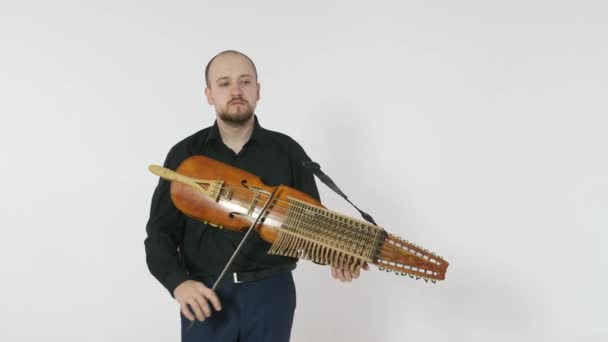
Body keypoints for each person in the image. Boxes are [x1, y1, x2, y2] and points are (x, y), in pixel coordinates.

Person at [145, 50, 368, 342]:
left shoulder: (287, 151)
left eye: (245, 81)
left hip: (272, 294)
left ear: (258, 91)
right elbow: (159, 234)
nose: (236, 91)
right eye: (224, 83)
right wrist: (179, 284)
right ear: (209, 94)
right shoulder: (186, 155)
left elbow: (311, 228)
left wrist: (337, 256)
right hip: (206, 294)